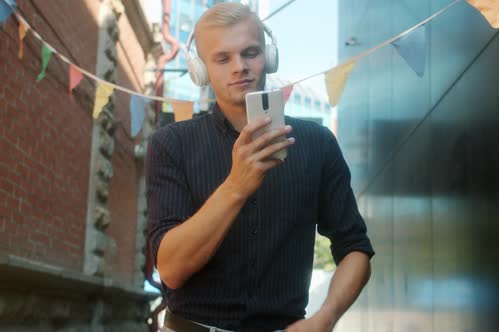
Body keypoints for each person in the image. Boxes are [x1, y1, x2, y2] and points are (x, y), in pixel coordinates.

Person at [146, 3, 374, 332]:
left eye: (250, 52)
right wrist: (236, 185)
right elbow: (171, 269)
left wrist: (326, 318)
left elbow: (356, 248)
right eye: (222, 58)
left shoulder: (318, 143)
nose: (239, 67)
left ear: (269, 57)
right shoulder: (170, 144)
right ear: (200, 70)